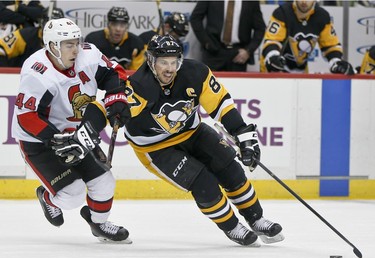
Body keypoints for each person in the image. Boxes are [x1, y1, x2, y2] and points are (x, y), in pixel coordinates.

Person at [56, 34, 285, 246]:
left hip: (193, 132)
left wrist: (243, 133)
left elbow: (221, 105)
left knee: (231, 169)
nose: (169, 68)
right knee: (204, 184)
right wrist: (85, 133)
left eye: (174, 61)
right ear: (151, 61)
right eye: (163, 62)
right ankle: (233, 227)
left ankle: (257, 219)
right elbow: (103, 108)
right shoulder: (139, 87)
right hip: (155, 148)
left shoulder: (196, 74)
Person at [11, 18, 131, 243]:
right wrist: (56, 140)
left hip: (77, 135)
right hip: (39, 141)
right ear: (52, 46)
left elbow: (113, 72)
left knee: (105, 183)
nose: (76, 48)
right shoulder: (36, 72)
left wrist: (117, 96)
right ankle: (48, 198)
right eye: (68, 44)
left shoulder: (89, 54)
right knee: (73, 195)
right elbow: (26, 117)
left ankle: (99, 223)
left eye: (77, 42)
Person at [260, 0, 354, 74]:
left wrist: (335, 61)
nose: (304, 1)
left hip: (300, 70)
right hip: (274, 69)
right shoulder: (282, 12)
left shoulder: (322, 17)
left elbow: (330, 46)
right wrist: (272, 55)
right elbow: (272, 41)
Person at [190, 0, 266, 71]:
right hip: (213, 52)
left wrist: (248, 50)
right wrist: (207, 43)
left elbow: (260, 28)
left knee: (237, 85)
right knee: (209, 84)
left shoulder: (251, 2)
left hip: (238, 55)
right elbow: (195, 18)